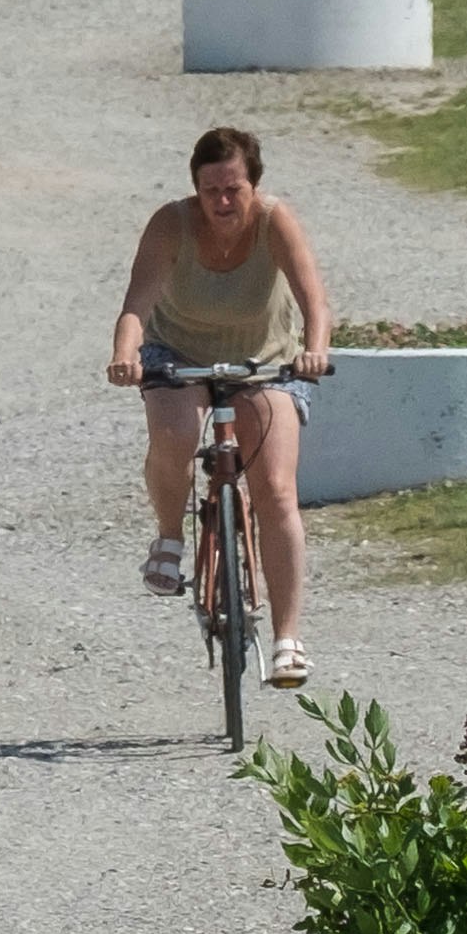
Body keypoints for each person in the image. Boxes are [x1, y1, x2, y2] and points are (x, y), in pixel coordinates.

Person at [108, 126, 338, 690]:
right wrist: (124, 355)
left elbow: (315, 300)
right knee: (174, 432)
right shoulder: (172, 223)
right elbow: (137, 301)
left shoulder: (274, 221)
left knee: (277, 489)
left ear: (254, 186)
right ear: (196, 190)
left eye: (234, 188)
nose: (223, 202)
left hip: (265, 359)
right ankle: (169, 538)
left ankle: (287, 641)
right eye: (211, 190)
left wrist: (314, 352)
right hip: (178, 353)